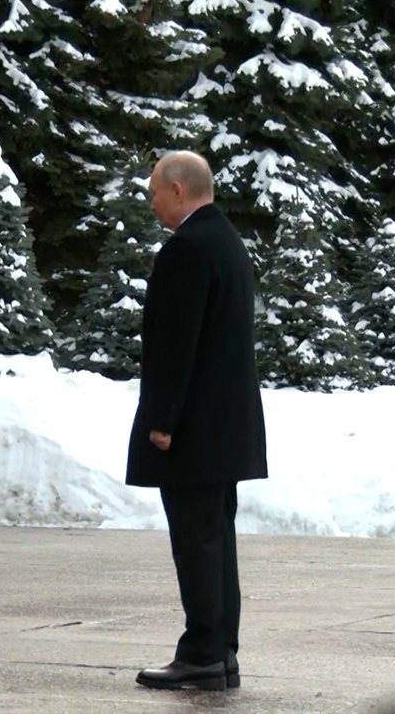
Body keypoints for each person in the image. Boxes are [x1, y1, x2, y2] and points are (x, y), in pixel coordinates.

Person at [128, 151, 268, 691]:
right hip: (224, 426)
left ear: (178, 190)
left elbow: (175, 343)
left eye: (154, 192)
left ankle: (204, 653)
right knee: (215, 541)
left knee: (197, 542)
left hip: (193, 427)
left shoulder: (186, 249)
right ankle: (220, 652)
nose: (152, 203)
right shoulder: (226, 241)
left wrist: (162, 420)